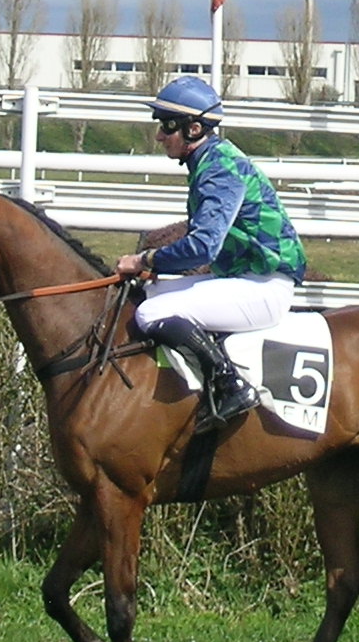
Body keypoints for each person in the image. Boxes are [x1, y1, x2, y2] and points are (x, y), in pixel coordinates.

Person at [113, 76, 308, 428]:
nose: (159, 135)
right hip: (244, 278)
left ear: (195, 128)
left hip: (263, 287)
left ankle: (230, 385)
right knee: (148, 295)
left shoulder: (218, 169)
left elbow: (203, 246)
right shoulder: (210, 161)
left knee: (150, 312)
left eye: (167, 125)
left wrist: (146, 259)